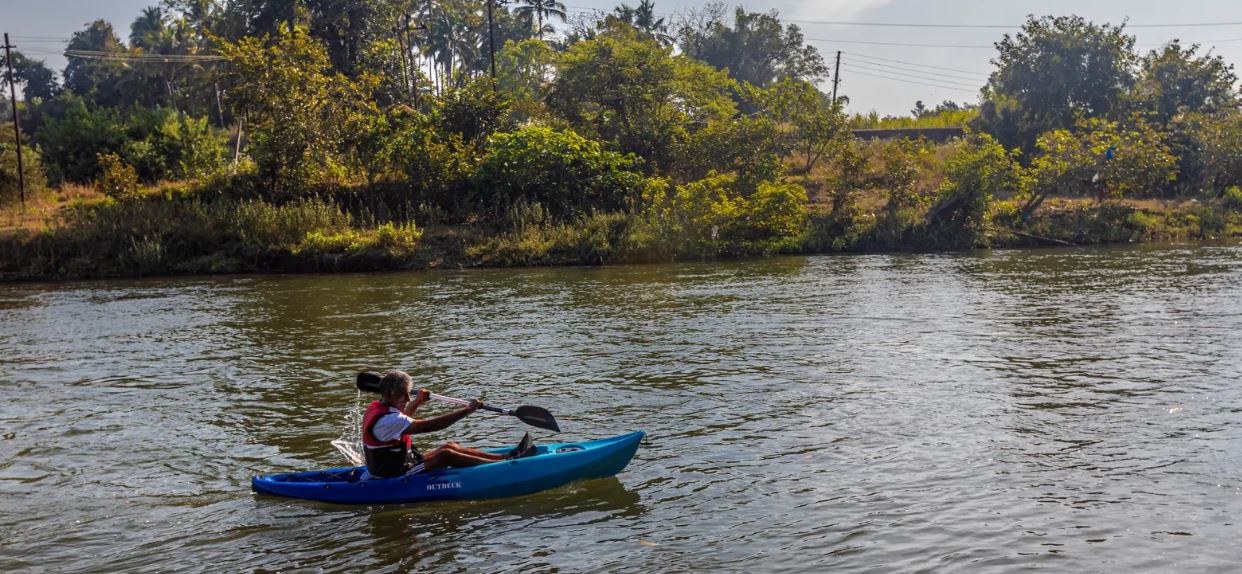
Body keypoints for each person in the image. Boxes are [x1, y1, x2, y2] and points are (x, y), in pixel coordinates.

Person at [362, 370, 533, 478]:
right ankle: (505, 469)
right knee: (446, 456)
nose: (407, 399)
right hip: (395, 473)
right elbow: (431, 426)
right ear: (390, 393)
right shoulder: (388, 419)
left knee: (448, 446)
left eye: (408, 394)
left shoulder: (378, 406)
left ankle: (505, 457)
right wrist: (468, 410)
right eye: (404, 395)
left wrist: (418, 402)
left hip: (401, 461)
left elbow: (401, 421)